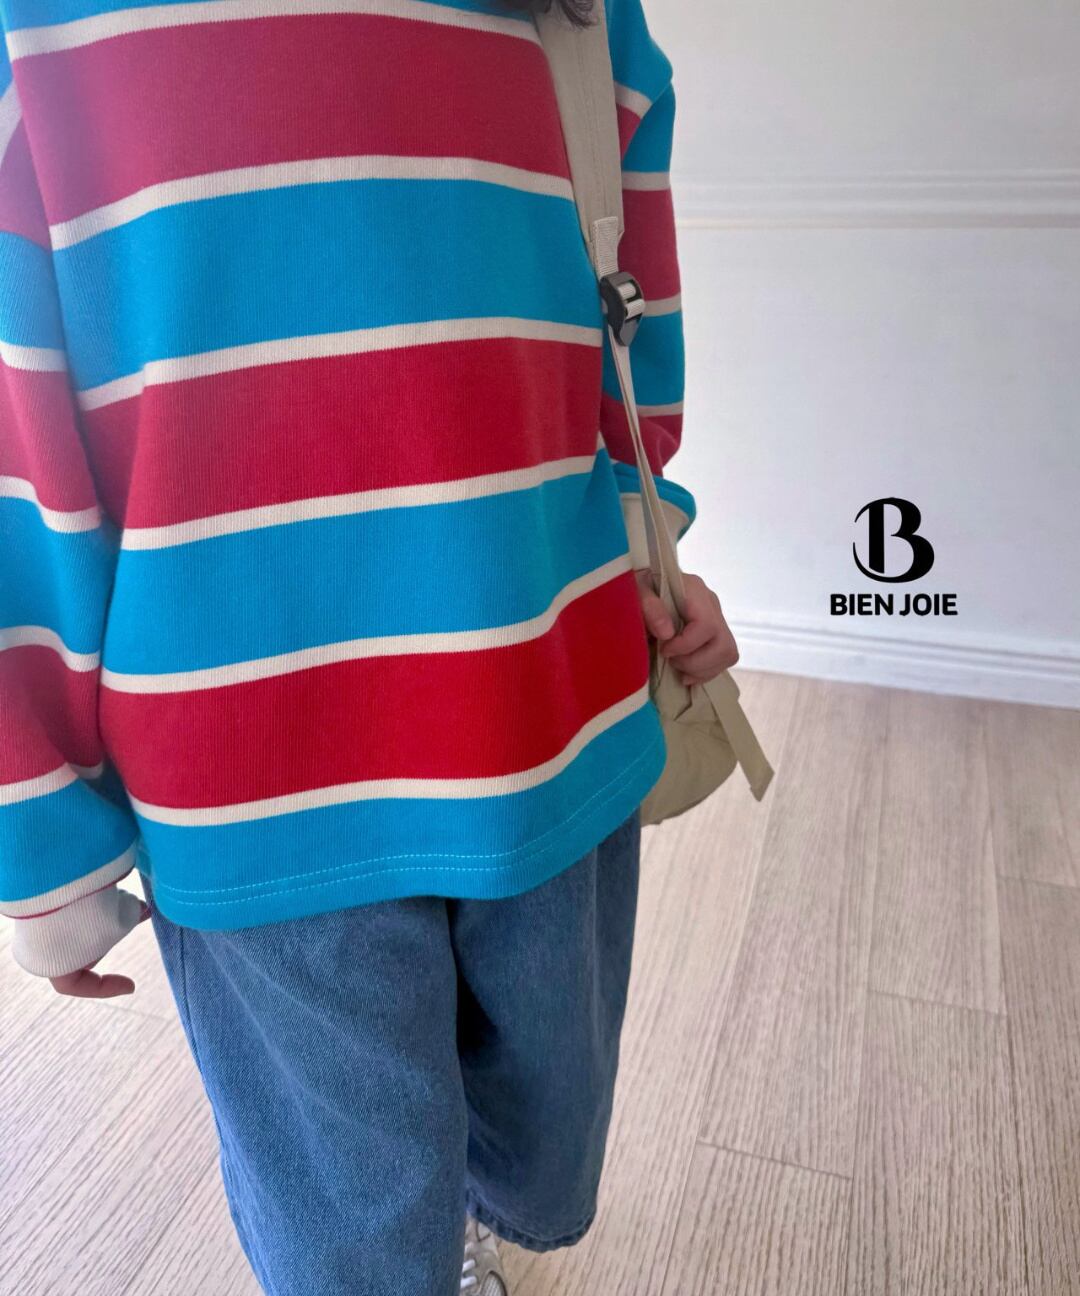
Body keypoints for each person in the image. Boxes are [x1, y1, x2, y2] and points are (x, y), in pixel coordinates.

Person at [0, 0, 738, 1290]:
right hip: (244, 763)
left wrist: (645, 540)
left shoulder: (576, 11)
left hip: (553, 695)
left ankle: (477, 1234)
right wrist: (44, 824)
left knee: (547, 1132)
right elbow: (17, 453)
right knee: (353, 1221)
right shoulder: (39, 36)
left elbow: (623, 316)